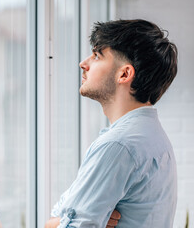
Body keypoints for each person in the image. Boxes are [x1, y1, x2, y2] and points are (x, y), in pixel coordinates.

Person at [45, 19, 178, 227]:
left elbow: (67, 222)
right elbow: (68, 213)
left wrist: (54, 222)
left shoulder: (118, 145)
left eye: (97, 56)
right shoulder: (151, 136)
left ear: (124, 74)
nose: (84, 63)